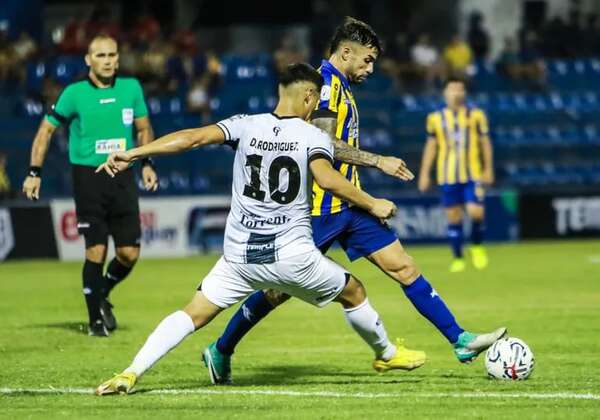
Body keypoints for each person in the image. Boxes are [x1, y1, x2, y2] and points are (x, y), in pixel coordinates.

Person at [202, 18, 506, 386]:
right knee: (276, 292)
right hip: (316, 208)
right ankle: (221, 348)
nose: (371, 68)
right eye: (367, 60)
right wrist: (379, 160)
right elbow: (324, 146)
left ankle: (460, 340)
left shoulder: (340, 84)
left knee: (404, 267)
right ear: (346, 52)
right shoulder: (323, 86)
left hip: (350, 207)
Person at [95, 63, 426, 395]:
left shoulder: (246, 125)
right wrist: (372, 203)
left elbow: (192, 138)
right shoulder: (313, 136)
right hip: (293, 257)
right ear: (309, 96)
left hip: (239, 257)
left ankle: (130, 372)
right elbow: (328, 179)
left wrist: (135, 153)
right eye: (316, 100)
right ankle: (386, 354)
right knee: (353, 291)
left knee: (192, 314)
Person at [21, 35, 159, 336]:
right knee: (95, 250)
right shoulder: (74, 93)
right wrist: (34, 172)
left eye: (112, 55)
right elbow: (45, 131)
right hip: (88, 178)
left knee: (129, 254)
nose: (108, 60)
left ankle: (102, 293)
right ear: (88, 60)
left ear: (118, 59)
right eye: (101, 55)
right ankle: (95, 321)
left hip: (122, 175)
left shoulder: (131, 88)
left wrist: (147, 163)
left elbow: (144, 128)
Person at [418, 77, 494, 273]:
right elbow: (431, 147)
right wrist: (425, 173)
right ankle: (458, 257)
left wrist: (488, 169)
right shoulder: (435, 118)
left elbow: (485, 143)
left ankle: (477, 246)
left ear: (464, 93)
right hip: (447, 176)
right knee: (454, 218)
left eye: (460, 89)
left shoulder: (476, 115)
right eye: (452, 89)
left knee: (476, 213)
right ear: (445, 93)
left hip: (472, 174)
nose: (456, 93)